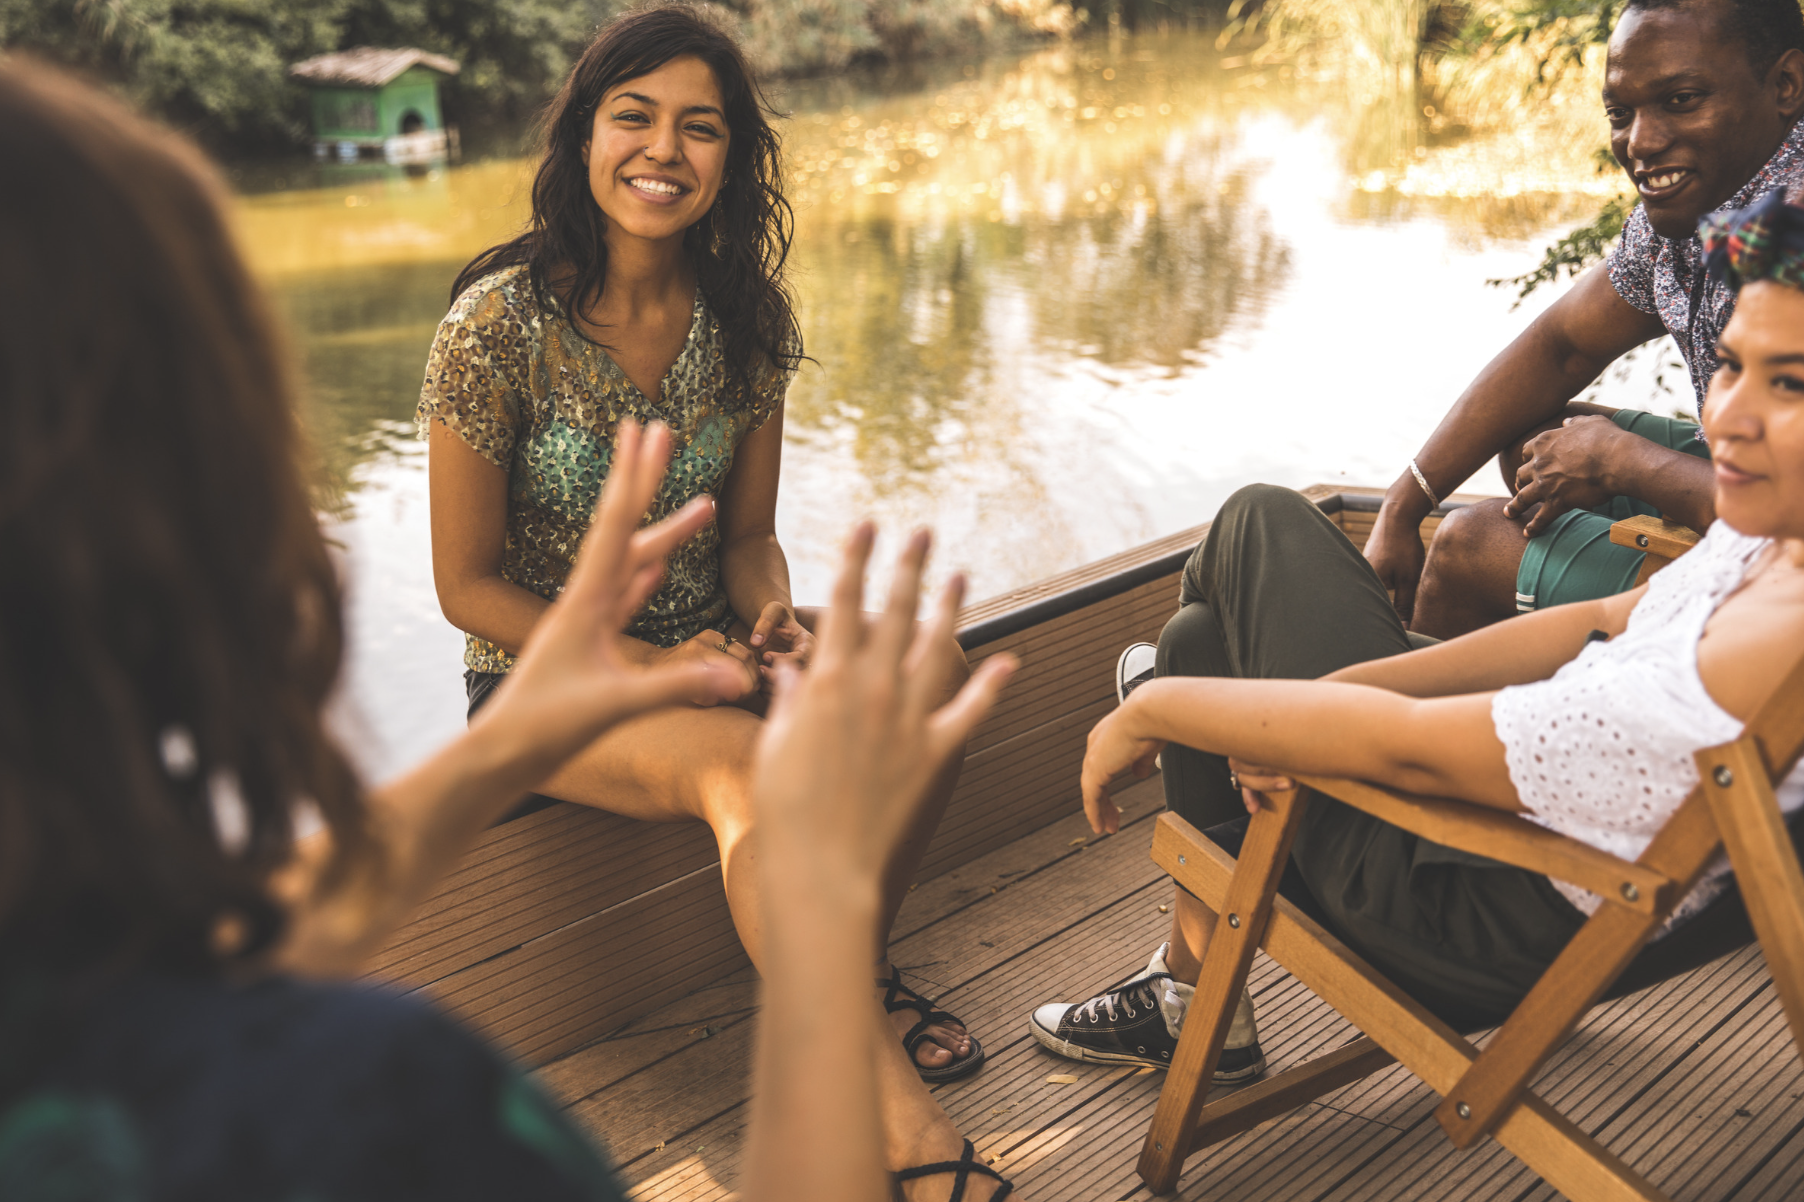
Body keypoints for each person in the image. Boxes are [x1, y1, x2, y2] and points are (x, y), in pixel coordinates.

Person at [0, 55, 1018, 1202]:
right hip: (548, 676)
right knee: (753, 765)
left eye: (701, 128)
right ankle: (897, 1118)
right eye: (632, 118)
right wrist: (638, 664)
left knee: (933, 665)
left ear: (734, 159)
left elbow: (745, 539)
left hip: (712, 644)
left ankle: (842, 973)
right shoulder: (493, 325)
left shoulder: (745, 317)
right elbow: (465, 587)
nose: (663, 151)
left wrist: (768, 614)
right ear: (580, 136)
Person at [1032, 189, 1804, 1073]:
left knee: (1258, 524)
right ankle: (1189, 982)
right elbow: (1594, 623)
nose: (1728, 418)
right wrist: (1274, 706)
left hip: (1445, 908)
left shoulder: (1758, 657)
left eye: (1790, 382)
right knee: (1203, 643)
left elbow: (1408, 750)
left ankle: (1191, 981)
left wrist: (1162, 713)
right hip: (1524, 859)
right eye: (1734, 367)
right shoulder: (1772, 554)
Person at [1367, 0, 1804, 639]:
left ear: (1786, 85)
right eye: (1620, 113)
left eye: (1681, 100)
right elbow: (1562, 347)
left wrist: (1623, 461)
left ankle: (1423, 731)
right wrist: (1402, 507)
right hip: (1764, 478)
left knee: (1468, 543)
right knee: (1535, 444)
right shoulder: (1705, 199)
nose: (1641, 143)